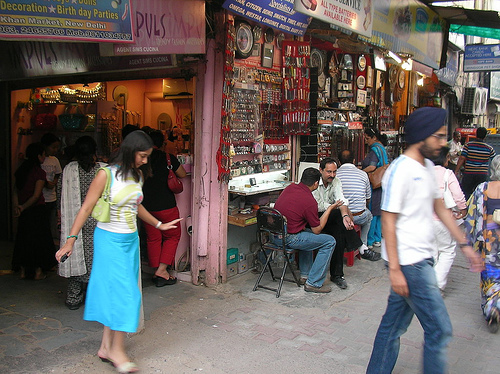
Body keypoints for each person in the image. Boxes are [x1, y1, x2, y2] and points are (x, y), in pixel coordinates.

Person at [366, 107, 483, 374]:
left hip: (421, 259)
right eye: (439, 136)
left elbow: (440, 207)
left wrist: (464, 244)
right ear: (422, 136)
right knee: (439, 330)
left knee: (391, 328)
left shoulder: (429, 167)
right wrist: (395, 269)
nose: (443, 143)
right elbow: (388, 219)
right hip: (410, 264)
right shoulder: (401, 170)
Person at [55, 131, 181, 373]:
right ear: (130, 151)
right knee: (126, 295)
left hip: (130, 242)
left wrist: (158, 224)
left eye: (147, 157)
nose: (145, 161)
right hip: (109, 241)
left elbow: (137, 206)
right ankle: (118, 351)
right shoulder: (106, 174)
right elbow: (85, 208)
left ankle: (105, 346)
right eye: (143, 156)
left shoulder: (136, 175)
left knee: (118, 292)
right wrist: (70, 241)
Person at [58, 136, 106, 310]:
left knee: (75, 256)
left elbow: (59, 196)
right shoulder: (103, 170)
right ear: (95, 151)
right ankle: (96, 298)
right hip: (98, 222)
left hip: (75, 222)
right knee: (97, 260)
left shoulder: (68, 170)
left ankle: (74, 297)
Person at [273, 167, 336, 293]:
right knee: (329, 241)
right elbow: (317, 229)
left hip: (274, 235)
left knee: (307, 234)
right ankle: (313, 283)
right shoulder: (309, 201)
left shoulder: (290, 187)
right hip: (288, 238)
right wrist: (329, 209)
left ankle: (305, 275)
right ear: (316, 183)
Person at [141, 130, 186, 287]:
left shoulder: (141, 159)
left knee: (153, 237)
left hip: (145, 206)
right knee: (172, 236)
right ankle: (162, 270)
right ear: (162, 143)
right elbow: (183, 173)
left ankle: (155, 269)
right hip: (166, 205)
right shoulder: (168, 158)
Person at [312, 158, 363, 290]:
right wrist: (334, 207)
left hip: (332, 218)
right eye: (329, 172)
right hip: (315, 218)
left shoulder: (336, 181)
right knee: (337, 216)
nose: (332, 175)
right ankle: (360, 246)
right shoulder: (314, 182)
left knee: (338, 233)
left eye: (334, 172)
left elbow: (341, 198)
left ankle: (337, 275)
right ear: (321, 170)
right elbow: (318, 206)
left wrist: (344, 214)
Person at [464, 155, 500, 333]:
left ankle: (491, 305)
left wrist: (469, 243)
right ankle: (496, 305)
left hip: (488, 241)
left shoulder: (482, 188)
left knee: (490, 275)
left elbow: (471, 215)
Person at [12, 142, 56, 280]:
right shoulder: (39, 172)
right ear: (38, 156)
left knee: (24, 239)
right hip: (36, 210)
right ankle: (38, 271)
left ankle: (23, 271)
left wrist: (18, 206)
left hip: (24, 210)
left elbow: (15, 191)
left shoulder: (20, 170)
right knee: (39, 241)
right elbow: (36, 195)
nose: (45, 157)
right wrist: (23, 207)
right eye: (43, 154)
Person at [431, 147, 467, 293]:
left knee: (431, 251)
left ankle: (428, 283)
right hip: (443, 220)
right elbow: (458, 195)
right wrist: (463, 209)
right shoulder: (447, 174)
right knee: (447, 250)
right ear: (444, 158)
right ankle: (437, 285)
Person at [337, 150, 381, 261]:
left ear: (339, 161)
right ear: (354, 161)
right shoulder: (363, 174)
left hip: (340, 216)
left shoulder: (335, 174)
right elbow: (368, 199)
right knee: (369, 216)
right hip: (359, 215)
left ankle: (358, 245)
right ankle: (363, 244)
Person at [362, 128, 389, 249]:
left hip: (374, 183)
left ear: (374, 138)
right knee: (378, 212)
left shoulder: (374, 150)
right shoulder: (382, 148)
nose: (366, 141)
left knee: (372, 212)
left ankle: (370, 240)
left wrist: (360, 172)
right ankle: (377, 239)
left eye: (367, 138)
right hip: (382, 183)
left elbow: (372, 167)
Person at [455, 127, 495, 200]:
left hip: (469, 173)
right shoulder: (489, 148)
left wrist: (456, 170)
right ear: (485, 136)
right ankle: (478, 209)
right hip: (482, 174)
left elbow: (462, 158)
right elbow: (495, 160)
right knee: (480, 194)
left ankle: (466, 208)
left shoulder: (468, 145)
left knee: (466, 193)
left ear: (476, 134)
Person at [40, 133, 62, 240]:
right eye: (53, 147)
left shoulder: (54, 160)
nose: (55, 150)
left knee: (51, 223)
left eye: (57, 147)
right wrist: (45, 183)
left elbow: (58, 173)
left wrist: (54, 181)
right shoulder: (40, 159)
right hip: (40, 197)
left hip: (52, 197)